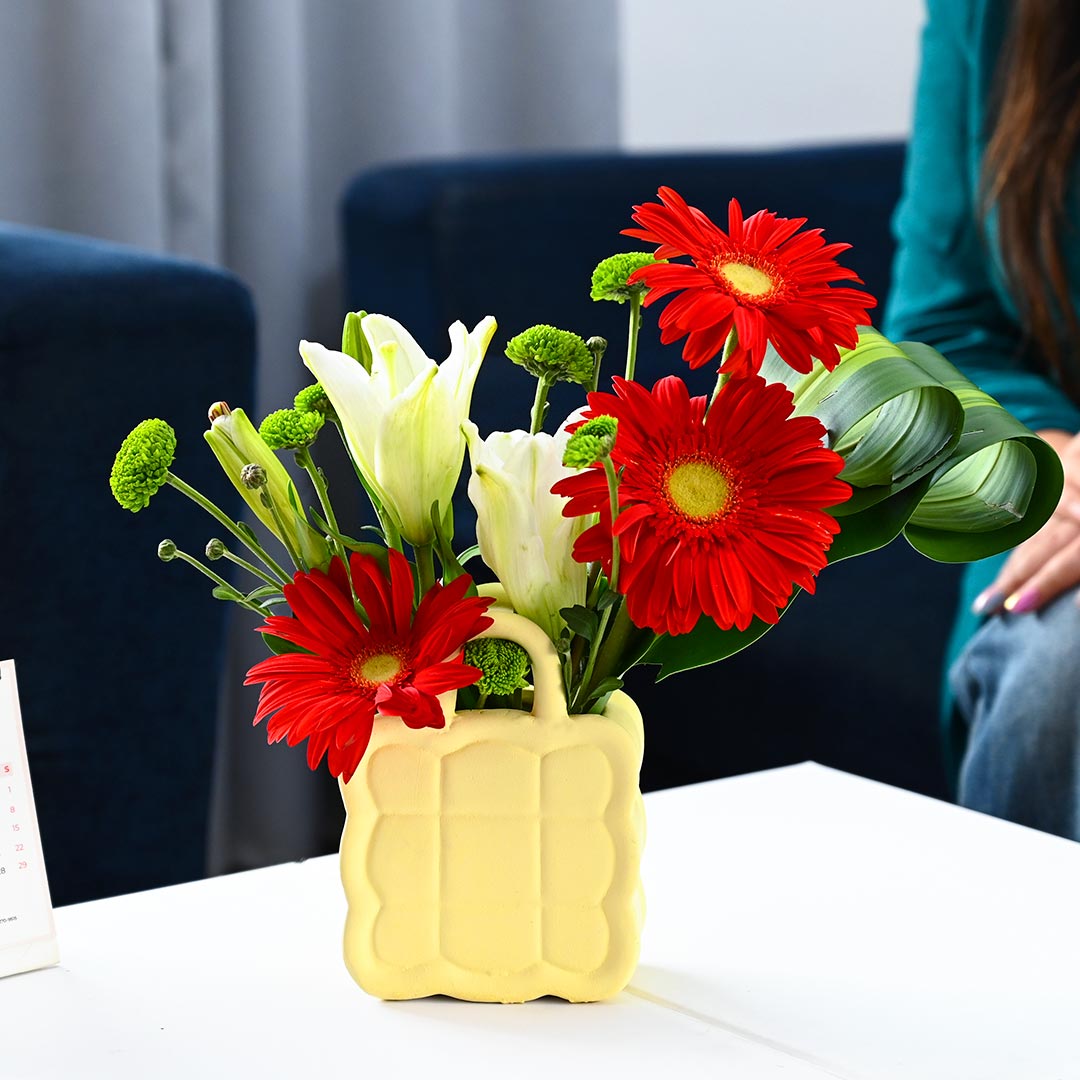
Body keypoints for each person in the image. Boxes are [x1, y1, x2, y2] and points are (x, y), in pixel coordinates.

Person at [884, 0, 1080, 840]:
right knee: (1057, 680)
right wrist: (1059, 456)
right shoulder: (993, 15)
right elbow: (940, 329)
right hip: (1065, 496)